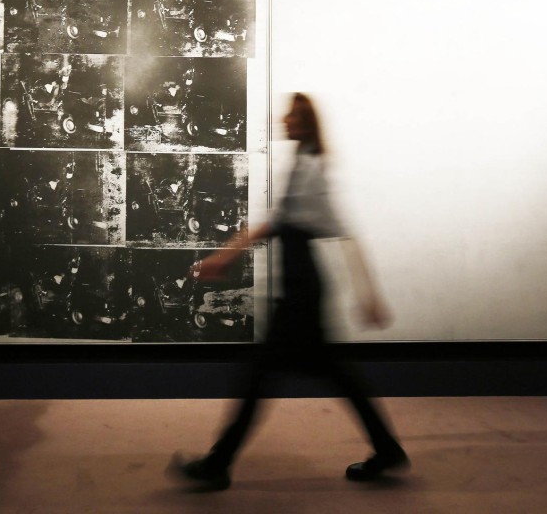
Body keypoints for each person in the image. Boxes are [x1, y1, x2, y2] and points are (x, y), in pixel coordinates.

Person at [169, 92, 409, 491]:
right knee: (334, 374)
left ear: (307, 122)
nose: (285, 120)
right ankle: (386, 450)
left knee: (260, 376)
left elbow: (303, 227)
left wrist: (223, 256)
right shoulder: (305, 162)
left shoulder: (310, 167)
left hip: (302, 292)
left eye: (294, 115)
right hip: (303, 288)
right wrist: (226, 256)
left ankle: (218, 464)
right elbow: (290, 225)